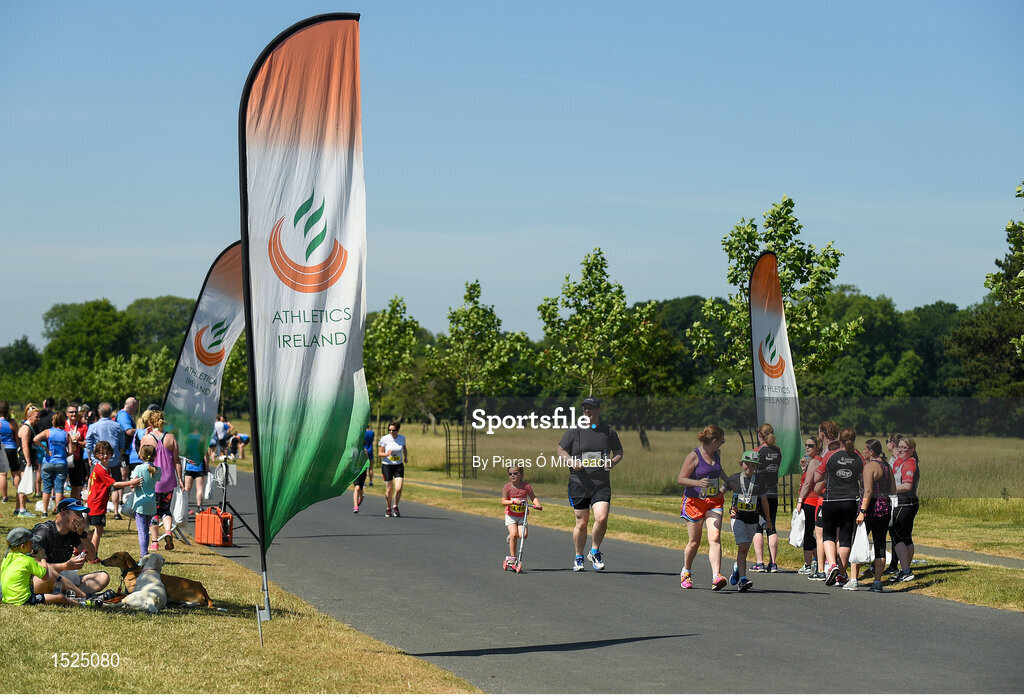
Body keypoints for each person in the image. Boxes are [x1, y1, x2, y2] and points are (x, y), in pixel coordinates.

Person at [557, 396, 623, 572]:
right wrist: (570, 461)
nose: (587, 411)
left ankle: (594, 551)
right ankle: (579, 556)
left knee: (601, 517)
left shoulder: (608, 431)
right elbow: (561, 449)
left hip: (600, 483)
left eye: (591, 408)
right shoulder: (574, 430)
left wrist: (613, 462)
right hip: (579, 482)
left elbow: (618, 451)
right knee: (582, 522)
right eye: (585, 408)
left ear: (598, 410)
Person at [799, 427, 863, 588]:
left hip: (831, 499)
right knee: (845, 537)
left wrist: (830, 474)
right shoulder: (858, 457)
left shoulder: (830, 455)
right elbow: (863, 479)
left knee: (828, 535)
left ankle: (832, 564)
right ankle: (842, 574)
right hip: (850, 500)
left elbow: (817, 476)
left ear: (839, 440)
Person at [677, 424, 728, 590]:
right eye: (722, 440)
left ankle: (716, 576)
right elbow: (681, 479)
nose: (722, 443)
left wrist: (729, 482)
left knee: (715, 537)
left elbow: (718, 471)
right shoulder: (694, 455)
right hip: (694, 502)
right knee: (694, 541)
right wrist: (698, 483)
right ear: (714, 440)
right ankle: (686, 571)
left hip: (713, 501)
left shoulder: (717, 453)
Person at [30, 498, 111, 597]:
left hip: (61, 578)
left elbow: (92, 557)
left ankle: (67, 594)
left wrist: (82, 535)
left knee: (103, 577)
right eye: (77, 513)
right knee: (49, 573)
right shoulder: (44, 532)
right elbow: (35, 567)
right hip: (40, 578)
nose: (81, 519)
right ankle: (78, 595)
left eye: (82, 514)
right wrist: (66, 566)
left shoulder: (73, 533)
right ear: (63, 513)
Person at [1, 527, 92, 606]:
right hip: (23, 600)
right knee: (60, 597)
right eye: (30, 542)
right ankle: (81, 604)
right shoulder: (27, 560)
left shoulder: (8, 557)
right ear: (22, 546)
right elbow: (45, 576)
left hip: (7, 598)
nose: (33, 544)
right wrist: (42, 557)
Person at [722, 450, 772, 592]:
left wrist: (768, 521)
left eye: (754, 465)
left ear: (757, 467)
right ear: (741, 463)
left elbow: (764, 501)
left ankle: (738, 568)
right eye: (747, 464)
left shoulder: (760, 481)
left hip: (753, 519)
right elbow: (720, 494)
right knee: (743, 546)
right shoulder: (733, 479)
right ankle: (743, 580)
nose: (749, 467)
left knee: (744, 550)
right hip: (737, 518)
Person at [85, 441, 141, 558]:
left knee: (97, 529)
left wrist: (90, 495)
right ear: (97, 455)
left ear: (111, 454)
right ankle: (92, 556)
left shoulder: (103, 467)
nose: (104, 456)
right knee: (98, 530)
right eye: (101, 454)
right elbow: (114, 484)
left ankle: (80, 545)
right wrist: (131, 482)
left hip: (96, 502)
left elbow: (90, 480)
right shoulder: (101, 469)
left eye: (107, 453)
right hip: (97, 503)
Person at [857, 438, 897, 592]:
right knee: (880, 544)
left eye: (865, 449)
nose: (863, 452)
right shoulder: (887, 466)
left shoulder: (870, 466)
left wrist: (862, 511)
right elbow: (893, 490)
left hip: (871, 508)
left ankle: (853, 578)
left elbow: (868, 491)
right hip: (885, 507)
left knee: (860, 541)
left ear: (871, 451)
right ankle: (878, 581)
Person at [140, 410, 182, 552]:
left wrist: (145, 436)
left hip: (153, 480)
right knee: (166, 509)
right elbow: (177, 461)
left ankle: (154, 542)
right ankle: (168, 531)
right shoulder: (171, 438)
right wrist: (180, 479)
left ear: (150, 422)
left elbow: (141, 456)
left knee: (153, 511)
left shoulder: (147, 438)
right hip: (169, 479)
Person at [750, 422, 782, 573]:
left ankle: (760, 562)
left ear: (759, 435)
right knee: (772, 526)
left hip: (759, 493)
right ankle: (773, 563)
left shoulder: (757, 451)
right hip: (773, 492)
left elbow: (748, 469)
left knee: (757, 526)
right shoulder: (778, 451)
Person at [890, 437, 921, 583]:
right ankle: (905, 569)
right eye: (900, 447)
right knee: (906, 537)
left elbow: (907, 486)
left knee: (898, 537)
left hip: (904, 503)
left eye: (905, 448)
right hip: (907, 502)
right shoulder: (900, 461)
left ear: (912, 450)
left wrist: (889, 489)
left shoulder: (909, 463)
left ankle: (906, 571)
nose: (901, 450)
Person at [501, 466, 542, 569]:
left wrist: (537, 504)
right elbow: (503, 501)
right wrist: (513, 501)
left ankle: (511, 537)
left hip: (522, 516)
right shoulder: (507, 487)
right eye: (510, 474)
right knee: (514, 534)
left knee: (523, 535)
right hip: (511, 515)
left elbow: (533, 497)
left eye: (515, 473)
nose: (512, 476)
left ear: (522, 475)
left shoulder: (526, 486)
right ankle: (513, 558)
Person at [33, 410, 70, 516]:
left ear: (53, 422)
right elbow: (71, 451)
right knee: (59, 488)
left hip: (48, 462)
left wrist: (45, 448)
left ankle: (44, 511)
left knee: (46, 488)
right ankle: (58, 510)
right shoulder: (66, 434)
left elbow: (35, 439)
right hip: (61, 462)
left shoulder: (48, 432)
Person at [797, 436, 823, 576]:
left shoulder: (815, 461)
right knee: (811, 532)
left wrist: (800, 500)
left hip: (811, 500)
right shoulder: (814, 461)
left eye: (810, 445)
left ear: (817, 447)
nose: (807, 448)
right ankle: (818, 559)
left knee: (808, 532)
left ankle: (809, 563)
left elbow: (807, 484)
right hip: (813, 500)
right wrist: (803, 468)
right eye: (806, 445)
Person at [129, 443, 159, 559]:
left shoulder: (138, 468)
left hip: (140, 503)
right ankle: (145, 552)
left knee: (142, 532)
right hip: (151, 504)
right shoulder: (157, 470)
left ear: (141, 456)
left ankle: (143, 554)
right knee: (146, 529)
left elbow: (132, 484)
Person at [85, 402, 126, 486]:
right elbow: (122, 444)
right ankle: (116, 500)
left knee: (96, 485)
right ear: (111, 413)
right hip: (113, 459)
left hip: (98, 460)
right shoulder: (118, 426)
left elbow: (88, 444)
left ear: (99, 413)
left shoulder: (93, 427)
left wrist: (89, 457)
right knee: (115, 486)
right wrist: (119, 455)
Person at [113, 397, 140, 520]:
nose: (137, 409)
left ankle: (120, 502)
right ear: (133, 405)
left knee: (123, 476)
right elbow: (129, 431)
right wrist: (142, 431)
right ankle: (118, 504)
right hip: (122, 451)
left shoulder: (125, 415)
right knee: (122, 476)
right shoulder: (123, 415)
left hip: (126, 451)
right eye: (137, 406)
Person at [882, 432, 903, 576]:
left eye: (887, 441)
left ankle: (895, 564)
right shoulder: (892, 458)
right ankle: (893, 563)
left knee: (896, 532)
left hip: (897, 498)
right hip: (891, 496)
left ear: (892, 443)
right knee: (890, 531)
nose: (887, 445)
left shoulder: (899, 460)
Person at [16, 404, 42, 517]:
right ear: (29, 416)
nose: (38, 419)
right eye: (36, 417)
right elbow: (25, 446)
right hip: (24, 459)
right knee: (24, 483)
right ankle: (22, 509)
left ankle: (19, 508)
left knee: (25, 482)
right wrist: (28, 461)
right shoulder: (26, 428)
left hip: (28, 458)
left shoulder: (30, 427)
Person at [378, 421, 408, 518]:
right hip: (387, 465)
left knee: (399, 488)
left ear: (397, 430)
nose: (391, 432)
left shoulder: (402, 438)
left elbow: (404, 448)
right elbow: (380, 453)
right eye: (389, 430)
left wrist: (406, 457)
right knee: (389, 489)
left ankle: (395, 506)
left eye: (393, 430)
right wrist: (387, 454)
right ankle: (388, 508)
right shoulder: (384, 439)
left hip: (398, 465)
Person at [63, 402, 89, 501]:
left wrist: (77, 442)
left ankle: (73, 506)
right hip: (64, 458)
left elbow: (86, 442)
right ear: (67, 413)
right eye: (71, 412)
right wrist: (69, 440)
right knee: (60, 485)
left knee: (76, 485)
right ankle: (61, 507)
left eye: (75, 412)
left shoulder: (83, 426)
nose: (73, 414)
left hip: (77, 459)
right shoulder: (63, 425)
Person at [0, 401, 18, 505]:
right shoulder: (13, 423)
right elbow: (16, 438)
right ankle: (19, 494)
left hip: (2, 448)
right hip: (12, 448)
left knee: (3, 474)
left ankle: (5, 497)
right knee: (15, 473)